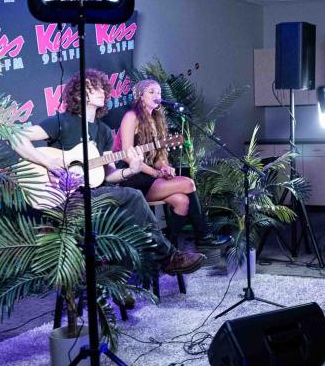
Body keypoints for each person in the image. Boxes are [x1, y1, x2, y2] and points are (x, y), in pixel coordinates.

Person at [10, 70, 203, 276]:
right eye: (93, 88)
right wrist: (48, 162)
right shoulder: (62, 121)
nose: (101, 91)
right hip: (63, 197)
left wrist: (130, 170)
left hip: (91, 194)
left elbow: (108, 174)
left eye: (102, 87)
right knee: (133, 196)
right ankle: (169, 258)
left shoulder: (103, 131)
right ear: (78, 94)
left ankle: (119, 280)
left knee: (127, 209)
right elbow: (16, 137)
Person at [116, 79, 230, 248]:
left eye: (159, 93)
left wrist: (164, 167)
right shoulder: (131, 117)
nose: (157, 96)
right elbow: (127, 155)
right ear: (140, 96)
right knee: (188, 183)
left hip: (149, 177)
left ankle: (169, 249)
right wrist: (156, 173)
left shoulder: (156, 120)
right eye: (151, 92)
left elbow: (157, 157)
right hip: (131, 178)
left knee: (181, 201)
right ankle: (204, 236)